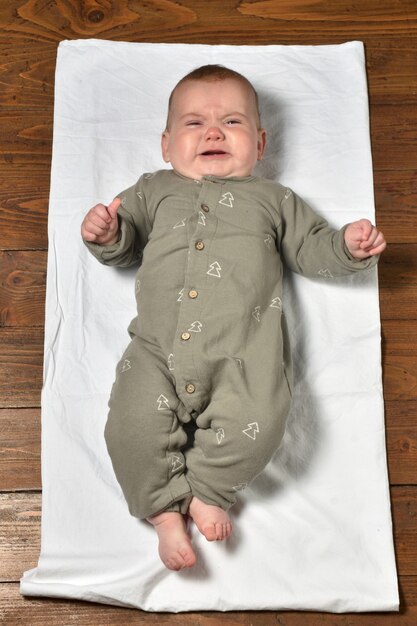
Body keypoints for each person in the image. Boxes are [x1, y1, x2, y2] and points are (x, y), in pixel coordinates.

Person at [81, 65, 386, 571]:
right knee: (128, 427)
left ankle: (208, 490)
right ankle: (162, 512)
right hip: (156, 349)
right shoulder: (153, 189)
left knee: (261, 421)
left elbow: (313, 249)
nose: (213, 132)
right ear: (166, 143)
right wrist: (106, 234)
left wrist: (348, 247)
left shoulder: (275, 200)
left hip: (245, 355)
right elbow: (125, 240)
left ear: (261, 143)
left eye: (233, 123)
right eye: (194, 123)